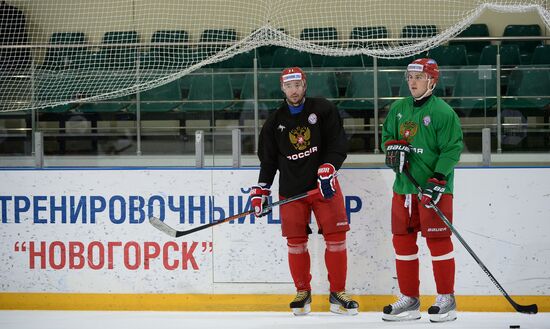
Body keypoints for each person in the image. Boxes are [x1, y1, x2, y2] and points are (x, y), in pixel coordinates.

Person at [249, 67, 359, 316]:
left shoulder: (323, 109)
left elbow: (337, 143)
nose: (294, 90)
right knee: (296, 244)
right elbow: (268, 161)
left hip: (324, 187)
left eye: (298, 84)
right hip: (292, 191)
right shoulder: (274, 121)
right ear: (282, 88)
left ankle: (338, 293)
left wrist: (329, 167)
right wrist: (261, 189)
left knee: (336, 241)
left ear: (305, 85)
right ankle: (302, 292)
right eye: (289, 86)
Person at [381, 58, 463, 322]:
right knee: (402, 243)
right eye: (410, 77)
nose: (412, 82)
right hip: (404, 189)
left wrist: (438, 179)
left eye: (418, 77)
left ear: (432, 80)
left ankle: (446, 298)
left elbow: (452, 148)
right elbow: (386, 137)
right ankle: (409, 299)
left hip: (434, 190)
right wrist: (392, 148)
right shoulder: (398, 108)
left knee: (438, 241)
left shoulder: (443, 113)